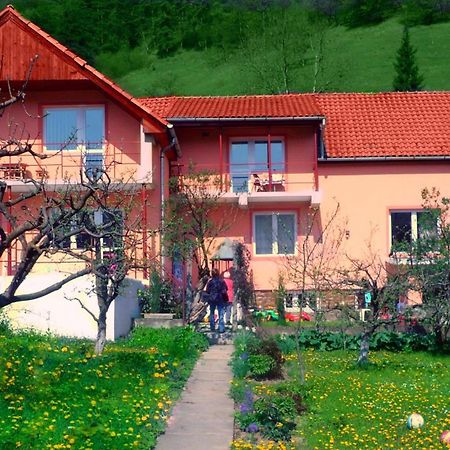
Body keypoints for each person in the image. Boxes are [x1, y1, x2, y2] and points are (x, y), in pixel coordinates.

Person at [205, 268, 228, 333]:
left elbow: (207, 291)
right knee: (221, 314)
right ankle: (221, 328)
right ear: (218, 273)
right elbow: (225, 289)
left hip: (212, 298)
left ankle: (212, 327)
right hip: (220, 298)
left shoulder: (210, 282)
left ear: (212, 274)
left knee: (212, 313)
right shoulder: (222, 281)